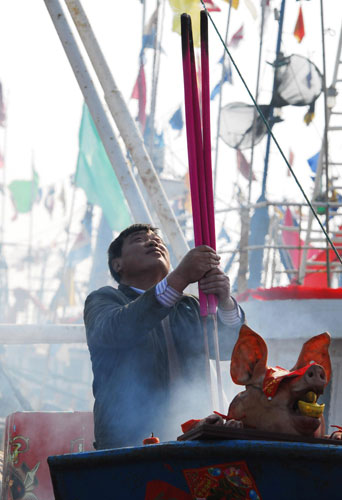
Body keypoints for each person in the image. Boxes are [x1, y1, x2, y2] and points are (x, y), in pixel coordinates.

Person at [84, 223, 244, 449]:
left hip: (196, 434)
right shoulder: (104, 300)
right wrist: (179, 278)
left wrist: (226, 302)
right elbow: (118, 330)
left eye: (157, 239)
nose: (153, 241)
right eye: (139, 239)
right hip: (129, 440)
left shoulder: (189, 305)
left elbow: (231, 349)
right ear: (117, 264)